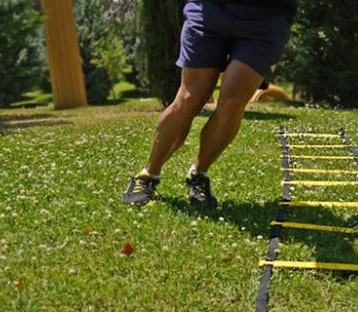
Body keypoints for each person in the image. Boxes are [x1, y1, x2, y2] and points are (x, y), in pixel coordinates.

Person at [122, 0, 296, 206]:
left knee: (232, 103)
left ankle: (198, 174)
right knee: (190, 98)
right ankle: (148, 175)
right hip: (210, 11)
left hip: (266, 19)